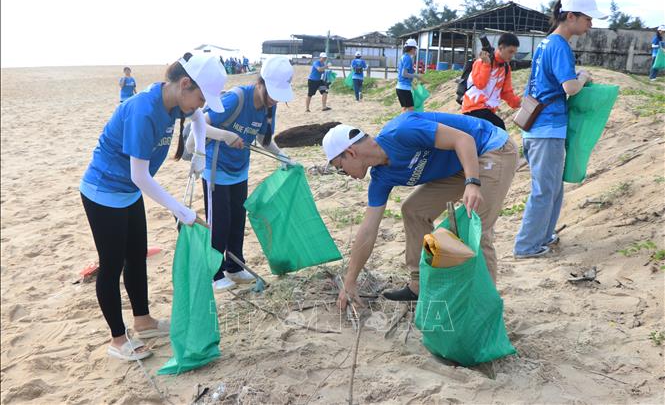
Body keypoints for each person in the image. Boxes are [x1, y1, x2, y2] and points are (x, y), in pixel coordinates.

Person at [80, 52, 227, 361]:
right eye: (200, 97)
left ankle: (143, 320)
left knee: (136, 255)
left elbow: (198, 120)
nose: (200, 105)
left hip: (129, 194)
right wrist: (183, 212)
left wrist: (200, 152)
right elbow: (140, 175)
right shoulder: (143, 110)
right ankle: (118, 341)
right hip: (103, 193)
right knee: (112, 265)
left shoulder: (176, 102)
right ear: (185, 83)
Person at [322, 111, 517, 308]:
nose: (344, 174)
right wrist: (350, 281)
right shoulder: (382, 176)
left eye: (340, 167)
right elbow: (368, 229)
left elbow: (463, 139)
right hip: (458, 167)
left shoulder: (401, 131)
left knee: (475, 228)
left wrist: (472, 183)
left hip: (491, 149)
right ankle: (420, 284)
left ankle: (485, 305)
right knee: (413, 210)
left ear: (351, 152)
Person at [513, 0, 606, 259]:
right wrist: (583, 76)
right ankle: (526, 246)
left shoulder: (544, 44)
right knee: (545, 189)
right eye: (588, 19)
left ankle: (542, 236)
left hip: (536, 126)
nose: (590, 25)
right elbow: (569, 87)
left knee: (551, 187)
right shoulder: (560, 45)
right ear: (571, 16)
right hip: (547, 127)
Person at [201, 55, 298, 291]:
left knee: (237, 220)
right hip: (216, 170)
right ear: (260, 83)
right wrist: (226, 136)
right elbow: (200, 124)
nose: (275, 100)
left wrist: (282, 157)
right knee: (219, 223)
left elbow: (265, 140)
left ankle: (234, 267)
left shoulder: (268, 107)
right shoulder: (236, 98)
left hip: (240, 170)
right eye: (273, 93)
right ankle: (214, 273)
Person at [461, 33, 522, 130]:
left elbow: (506, 92)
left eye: (514, 53)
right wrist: (487, 65)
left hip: (488, 111)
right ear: (501, 48)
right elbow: (480, 84)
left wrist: (520, 103)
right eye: (510, 52)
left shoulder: (506, 68)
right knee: (499, 128)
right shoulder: (481, 62)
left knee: (497, 131)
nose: (512, 56)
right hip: (473, 108)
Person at [396, 39, 424, 112]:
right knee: (411, 109)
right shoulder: (408, 58)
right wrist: (417, 76)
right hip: (404, 88)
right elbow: (404, 74)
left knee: (405, 109)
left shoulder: (403, 57)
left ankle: (400, 122)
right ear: (411, 49)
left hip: (400, 87)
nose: (415, 51)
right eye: (415, 49)